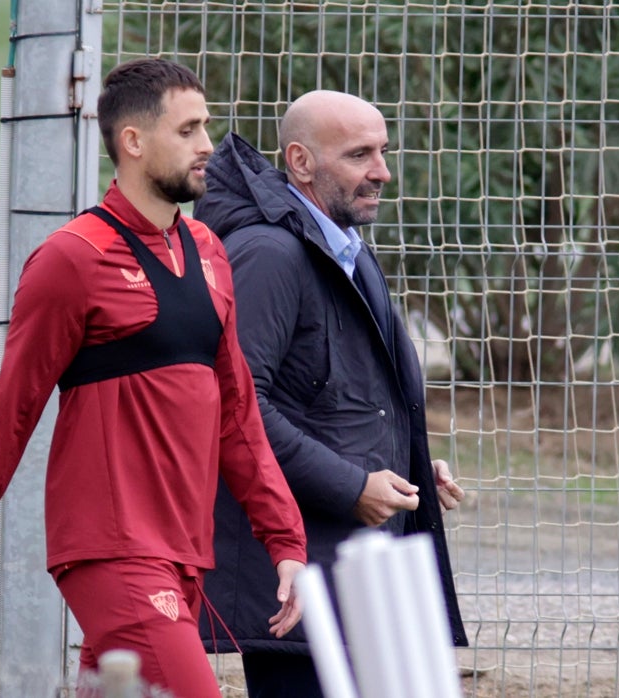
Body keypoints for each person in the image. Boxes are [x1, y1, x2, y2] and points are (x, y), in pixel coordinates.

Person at [0, 58, 308, 698]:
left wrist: (284, 538)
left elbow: (237, 416)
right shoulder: (71, 259)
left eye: (207, 126)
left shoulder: (208, 252)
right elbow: (11, 421)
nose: (208, 146)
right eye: (190, 129)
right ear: (133, 142)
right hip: (112, 554)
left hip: (184, 556)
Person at [193, 90, 468, 696]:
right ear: (300, 161)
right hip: (302, 579)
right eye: (359, 154)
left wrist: (403, 462)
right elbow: (236, 405)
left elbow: (335, 399)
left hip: (353, 567)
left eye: (383, 152)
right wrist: (352, 486)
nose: (382, 172)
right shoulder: (269, 254)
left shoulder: (346, 248)